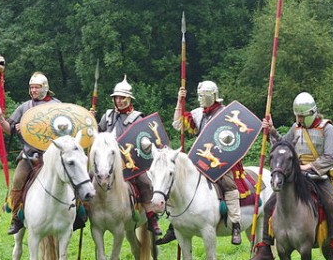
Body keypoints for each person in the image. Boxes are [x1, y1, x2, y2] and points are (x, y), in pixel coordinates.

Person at [242, 92, 333, 260]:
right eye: (296, 115)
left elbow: (331, 156)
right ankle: (265, 247)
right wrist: (271, 130)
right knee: (268, 207)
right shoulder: (295, 127)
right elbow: (283, 145)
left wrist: (309, 167)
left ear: (311, 113)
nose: (299, 119)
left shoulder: (327, 128)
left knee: (331, 205)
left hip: (319, 177)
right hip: (296, 177)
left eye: (301, 116)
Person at [156, 80, 243, 246]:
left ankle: (236, 224)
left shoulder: (227, 114)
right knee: (175, 181)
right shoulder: (198, 113)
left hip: (221, 160)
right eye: (199, 96)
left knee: (229, 184)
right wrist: (179, 101)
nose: (200, 99)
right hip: (200, 158)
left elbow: (232, 141)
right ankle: (173, 227)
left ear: (213, 96)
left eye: (203, 96)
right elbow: (177, 124)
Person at [0, 71, 61, 235]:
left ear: (44, 88)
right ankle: (16, 217)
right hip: (30, 155)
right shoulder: (25, 107)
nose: (33, 91)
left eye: (37, 87)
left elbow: (63, 127)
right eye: (31, 88)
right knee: (18, 180)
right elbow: (9, 129)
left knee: (73, 177)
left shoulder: (57, 105)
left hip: (52, 154)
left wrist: (27, 127)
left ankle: (79, 212)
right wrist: (1, 118)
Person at [97, 75, 162, 236]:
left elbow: (141, 141)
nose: (119, 100)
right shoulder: (108, 116)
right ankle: (83, 210)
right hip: (108, 160)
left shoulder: (137, 118)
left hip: (129, 162)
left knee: (144, 182)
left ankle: (151, 217)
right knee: (88, 177)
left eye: (122, 97)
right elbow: (98, 133)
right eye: (117, 97)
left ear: (129, 99)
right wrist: (92, 120)